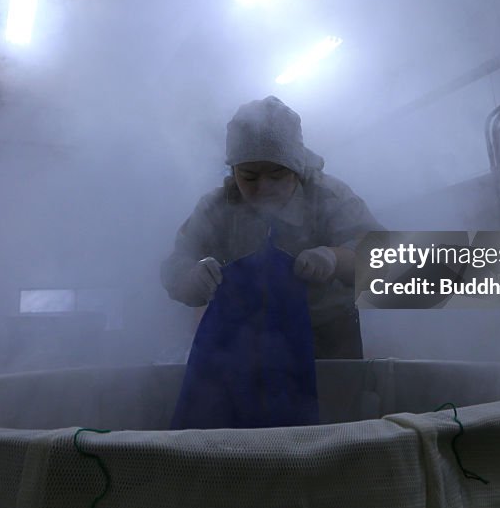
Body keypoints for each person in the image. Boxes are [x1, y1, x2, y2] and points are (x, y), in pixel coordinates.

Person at [160, 96, 384, 359]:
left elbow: (390, 263)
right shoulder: (216, 208)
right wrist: (192, 277)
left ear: (297, 168)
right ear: (233, 171)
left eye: (277, 174)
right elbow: (175, 265)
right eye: (249, 176)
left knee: (330, 400)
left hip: (326, 339)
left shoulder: (329, 197)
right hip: (244, 342)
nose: (263, 187)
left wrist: (336, 258)